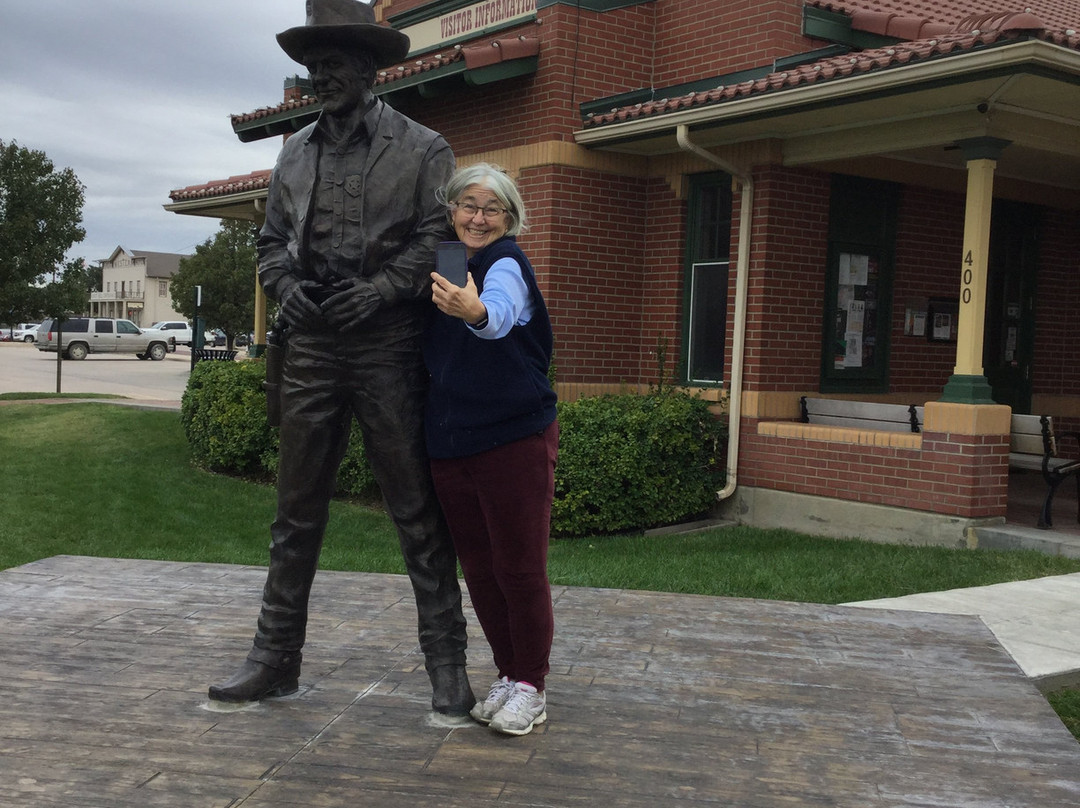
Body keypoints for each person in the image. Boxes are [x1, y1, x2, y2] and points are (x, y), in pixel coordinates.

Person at [208, 0, 475, 717]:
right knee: (295, 513)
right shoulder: (293, 151)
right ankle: (274, 658)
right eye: (310, 67)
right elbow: (268, 242)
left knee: (415, 510)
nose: (317, 78)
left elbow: (442, 237)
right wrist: (286, 287)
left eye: (330, 65)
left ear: (365, 68)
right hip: (312, 349)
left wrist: (387, 291)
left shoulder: (424, 147)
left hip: (388, 346)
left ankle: (447, 661)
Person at [424, 164, 559, 735]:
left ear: (509, 218)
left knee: (519, 569)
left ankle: (531, 684)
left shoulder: (506, 263)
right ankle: (509, 672)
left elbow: (498, 314)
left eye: (492, 208)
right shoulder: (444, 262)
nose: (479, 218)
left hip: (512, 438)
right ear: (451, 210)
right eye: (469, 206)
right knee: (480, 570)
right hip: (452, 443)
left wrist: (474, 312)